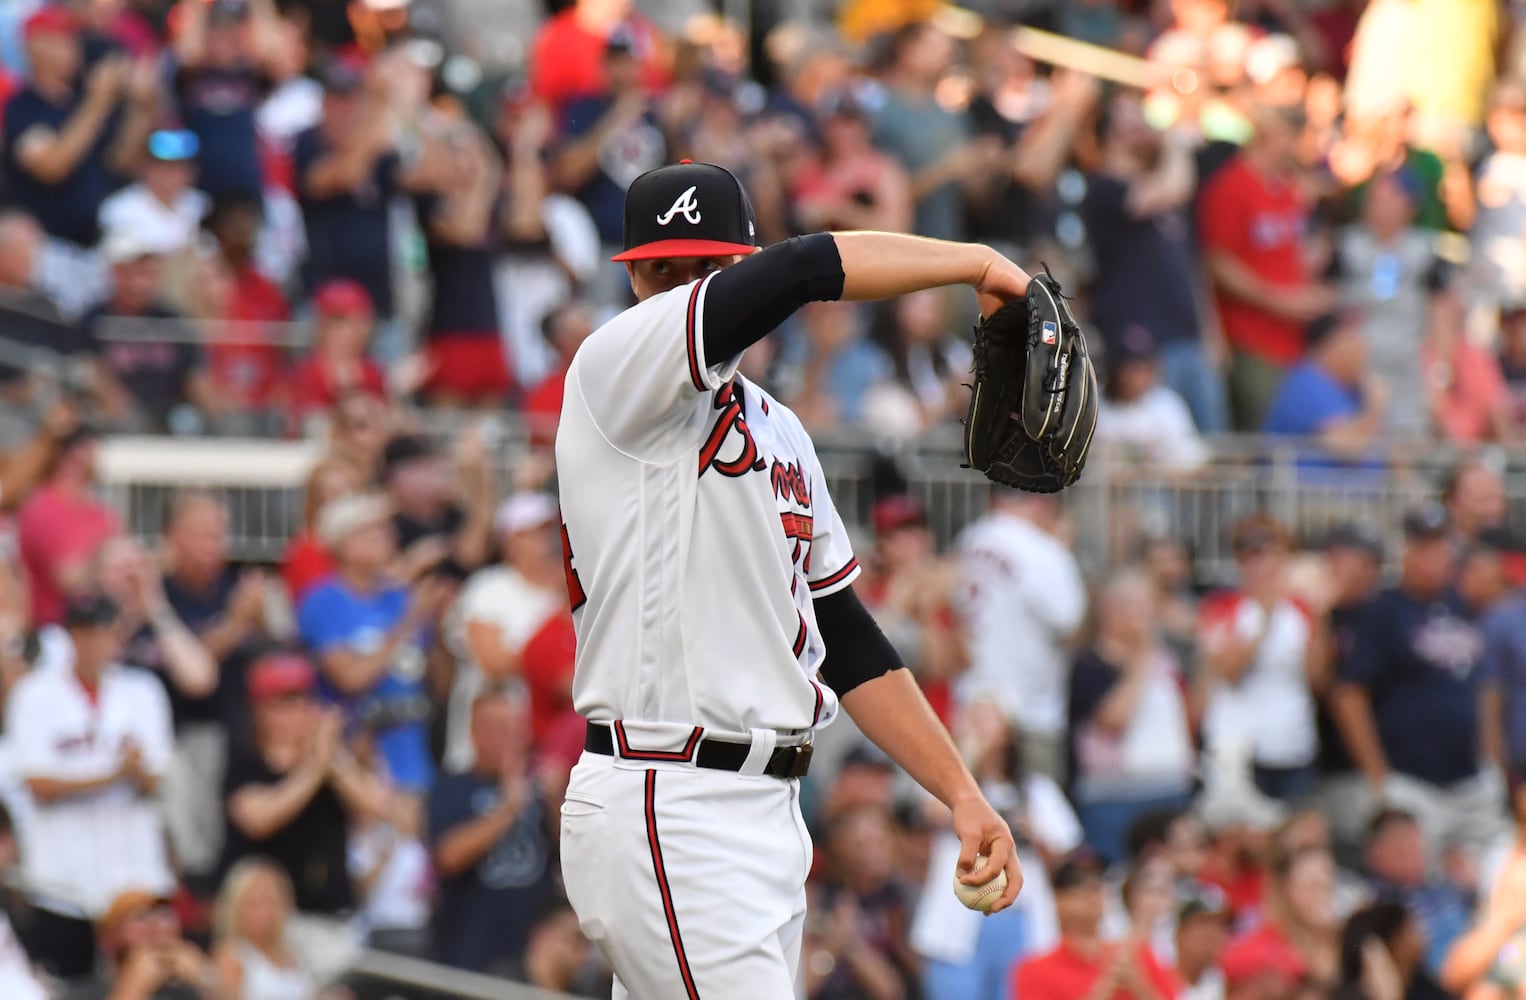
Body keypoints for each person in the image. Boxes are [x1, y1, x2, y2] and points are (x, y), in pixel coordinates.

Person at [555, 160, 1030, 996]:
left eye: (708, 269)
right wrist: (976, 263)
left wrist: (960, 792)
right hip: (670, 796)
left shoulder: (779, 430)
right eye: (665, 270)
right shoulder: (613, 371)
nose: (685, 288)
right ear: (634, 278)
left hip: (765, 814)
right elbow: (807, 267)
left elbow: (845, 638)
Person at [6, 593, 174, 981]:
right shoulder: (35, 695)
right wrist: (114, 773)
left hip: (135, 877)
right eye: (86, 632)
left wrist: (131, 772)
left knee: (145, 982)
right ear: (71, 636)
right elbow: (36, 783)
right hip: (61, 880)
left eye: (104, 631)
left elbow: (156, 776)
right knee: (68, 985)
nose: (96, 641)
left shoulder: (142, 690)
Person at [1332, 501, 1507, 871]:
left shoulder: (1464, 606)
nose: (1432, 556)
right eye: (1422, 546)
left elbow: (1485, 689)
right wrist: (1379, 779)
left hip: (1470, 782)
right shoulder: (1383, 609)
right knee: (1421, 883)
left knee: (1498, 876)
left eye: (1439, 545)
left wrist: (1491, 758)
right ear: (1407, 551)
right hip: (1412, 782)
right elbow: (1349, 695)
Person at [219, 653, 386, 978]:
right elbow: (259, 818)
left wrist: (334, 757)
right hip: (274, 929)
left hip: (335, 917)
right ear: (261, 711)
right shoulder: (246, 761)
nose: (295, 714)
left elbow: (377, 808)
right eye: (283, 704)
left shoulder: (333, 763)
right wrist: (316, 767)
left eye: (301, 702)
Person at [1085, 90, 1225, 432]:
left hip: (1189, 338)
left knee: (1212, 454)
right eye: (1131, 118)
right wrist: (1175, 144)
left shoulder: (1156, 186)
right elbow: (1172, 187)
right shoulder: (1104, 188)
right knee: (1160, 448)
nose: (1143, 126)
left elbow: (1191, 266)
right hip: (1143, 345)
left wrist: (1211, 332)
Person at [2, 5, 156, 316]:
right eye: (60, 40)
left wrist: (142, 109)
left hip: (98, 247)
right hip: (47, 251)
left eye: (72, 41)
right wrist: (97, 102)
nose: (71, 50)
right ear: (35, 45)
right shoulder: (24, 105)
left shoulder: (81, 101)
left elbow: (122, 161)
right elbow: (52, 165)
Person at [296, 492, 448, 793]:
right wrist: (409, 622)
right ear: (343, 542)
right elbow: (350, 678)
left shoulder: (401, 598)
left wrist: (440, 626)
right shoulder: (321, 602)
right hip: (356, 766)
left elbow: (440, 684)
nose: (387, 536)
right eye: (371, 529)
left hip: (414, 760)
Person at [1200, 104, 1335, 430]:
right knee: (1263, 437)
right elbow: (1217, 263)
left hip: (1293, 340)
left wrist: (1311, 280)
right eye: (1292, 137)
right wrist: (1278, 299)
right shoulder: (1232, 185)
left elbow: (1291, 250)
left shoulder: (1287, 187)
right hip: (1251, 339)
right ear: (1272, 137)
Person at [954, 488, 1087, 781]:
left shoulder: (970, 538)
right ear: (1043, 503)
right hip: (1031, 710)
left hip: (972, 705)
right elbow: (1073, 627)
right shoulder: (1045, 550)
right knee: (1036, 812)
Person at [1069, 568, 1197, 863]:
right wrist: (1142, 656)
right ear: (1110, 610)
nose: (1147, 615)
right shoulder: (1089, 664)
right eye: (1137, 605)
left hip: (1170, 789)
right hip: (1114, 799)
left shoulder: (1167, 659)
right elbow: (1114, 719)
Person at [428, 688, 556, 973]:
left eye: (515, 729)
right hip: (470, 950)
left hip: (530, 956)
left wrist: (558, 801)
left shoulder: (540, 788)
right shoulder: (452, 787)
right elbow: (448, 856)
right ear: (474, 734)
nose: (510, 739)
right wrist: (508, 809)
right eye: (499, 729)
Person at [1197, 515, 1320, 804]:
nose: (1262, 565)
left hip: (1292, 744)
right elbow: (1229, 671)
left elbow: (1317, 678)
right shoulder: (1221, 607)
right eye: (1251, 556)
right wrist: (1265, 617)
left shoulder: (1302, 609)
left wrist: (1320, 613)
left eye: (1270, 554)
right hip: (1240, 751)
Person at [444, 492, 567, 772]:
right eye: (530, 534)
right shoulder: (489, 587)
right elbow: (494, 662)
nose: (543, 543)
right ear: (507, 540)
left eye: (546, 531)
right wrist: (554, 656)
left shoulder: (567, 592)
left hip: (552, 744)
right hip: (489, 745)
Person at [1013, 848, 1183, 1000]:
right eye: (1078, 883)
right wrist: (1104, 989)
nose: (1093, 890)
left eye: (1098, 882)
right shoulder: (1034, 970)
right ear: (1058, 899)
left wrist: (1137, 984)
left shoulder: (1139, 955)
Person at [15, 423, 118, 625]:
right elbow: (69, 581)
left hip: (98, 626)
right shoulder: (42, 508)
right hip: (53, 628)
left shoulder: (97, 510)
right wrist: (104, 554)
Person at [1262, 311, 1388, 465]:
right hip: (1304, 487)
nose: (1363, 349)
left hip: (1350, 488)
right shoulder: (1307, 383)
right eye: (1353, 340)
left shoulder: (1352, 387)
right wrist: (1375, 407)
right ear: (1330, 347)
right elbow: (1348, 449)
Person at [1362, 809, 1470, 978]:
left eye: (1415, 847)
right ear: (1375, 855)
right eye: (1401, 851)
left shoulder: (1442, 888)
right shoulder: (1378, 907)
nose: (1413, 857)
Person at [211, 859, 317, 1000]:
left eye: (270, 901)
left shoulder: (296, 954)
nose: (263, 912)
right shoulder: (233, 955)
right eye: (253, 904)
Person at [97, 128, 207, 259]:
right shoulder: (120, 208)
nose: (173, 175)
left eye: (180, 166)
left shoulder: (200, 204)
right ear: (146, 167)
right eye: (165, 166)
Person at [1178, 890, 1233, 1000]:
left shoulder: (1218, 980)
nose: (1212, 933)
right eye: (1203, 923)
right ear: (1181, 931)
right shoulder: (1157, 964)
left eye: (1221, 925)